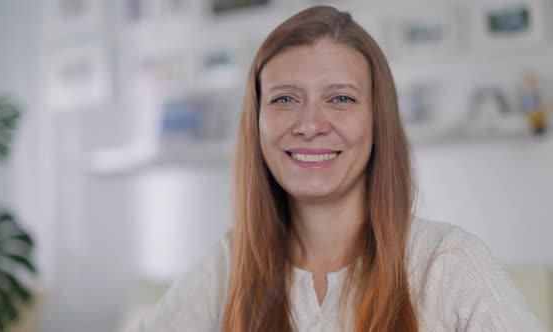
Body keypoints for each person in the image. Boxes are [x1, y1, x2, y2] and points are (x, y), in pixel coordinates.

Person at [134, 5, 547, 332]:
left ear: (377, 120)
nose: (310, 125)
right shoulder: (229, 265)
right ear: (256, 124)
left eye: (341, 99)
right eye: (284, 99)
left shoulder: (450, 264)